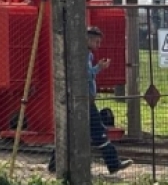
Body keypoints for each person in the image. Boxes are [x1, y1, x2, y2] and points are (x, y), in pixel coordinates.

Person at [47, 26, 133, 175]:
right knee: (98, 131)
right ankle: (113, 164)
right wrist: (98, 68)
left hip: (83, 99)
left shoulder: (83, 54)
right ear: (87, 39)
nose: (98, 45)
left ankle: (55, 165)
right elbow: (84, 74)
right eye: (96, 41)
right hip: (84, 100)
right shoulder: (83, 55)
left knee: (71, 132)